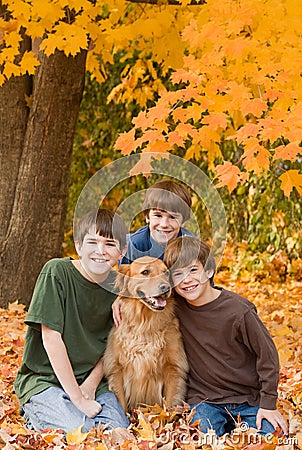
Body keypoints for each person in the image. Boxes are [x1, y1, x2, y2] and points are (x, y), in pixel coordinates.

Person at [14, 209, 129, 433]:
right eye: (92, 242)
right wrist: (77, 398)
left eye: (110, 244)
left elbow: (113, 345)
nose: (100, 251)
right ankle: (35, 411)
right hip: (46, 380)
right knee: (76, 429)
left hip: (93, 381)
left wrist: (90, 385)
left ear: (122, 251)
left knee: (118, 430)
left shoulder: (120, 287)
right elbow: (51, 338)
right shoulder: (57, 272)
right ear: (78, 246)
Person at [162, 235, 288, 437]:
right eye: (177, 274)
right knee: (202, 438)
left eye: (193, 270)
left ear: (209, 270)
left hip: (248, 399)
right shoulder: (175, 306)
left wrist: (268, 404)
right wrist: (118, 302)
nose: (186, 280)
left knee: (272, 436)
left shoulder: (239, 312)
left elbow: (268, 356)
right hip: (205, 401)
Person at [120, 179, 193, 264]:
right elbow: (124, 275)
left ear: (183, 221)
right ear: (147, 217)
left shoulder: (190, 245)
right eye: (158, 215)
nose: (164, 224)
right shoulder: (134, 244)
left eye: (173, 217)